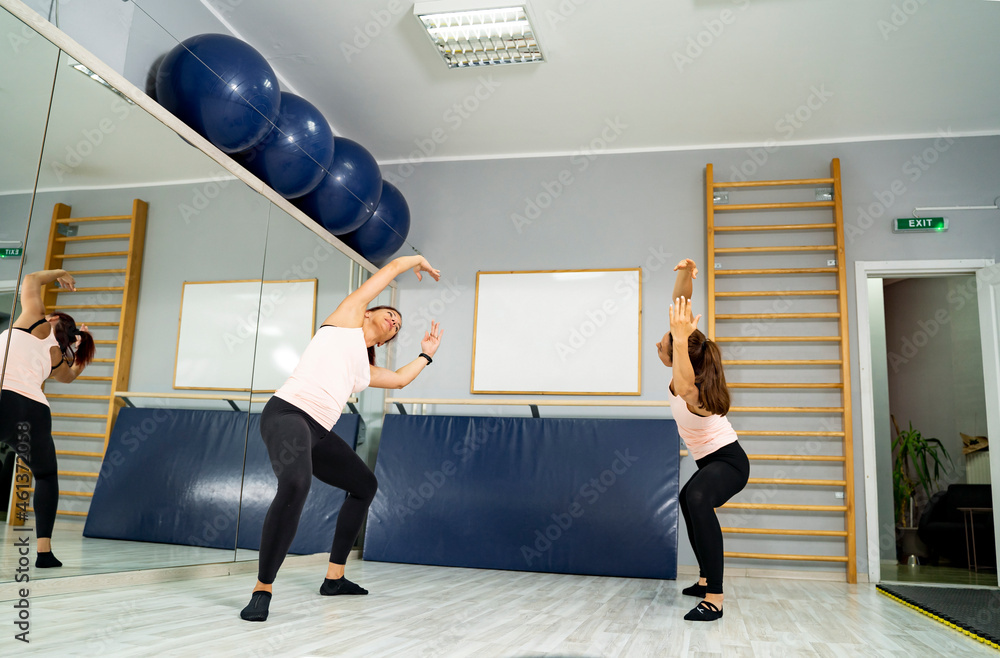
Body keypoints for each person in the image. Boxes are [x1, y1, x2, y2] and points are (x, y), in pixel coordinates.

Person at [241, 254, 444, 622]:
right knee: (296, 484)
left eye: (397, 326)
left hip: (318, 430)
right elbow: (390, 270)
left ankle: (334, 578)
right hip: (288, 413)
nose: (394, 321)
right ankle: (262, 588)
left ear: (388, 339)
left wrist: (425, 355)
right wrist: (417, 260)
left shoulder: (364, 370)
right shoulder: (345, 320)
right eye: (390, 314)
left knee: (365, 485)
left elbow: (400, 379)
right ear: (367, 313)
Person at [655, 258, 749, 622]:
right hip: (712, 462)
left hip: (729, 463)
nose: (659, 343)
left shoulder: (694, 393)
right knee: (687, 498)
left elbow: (682, 385)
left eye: (665, 343)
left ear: (679, 354)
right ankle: (706, 578)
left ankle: (715, 598)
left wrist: (679, 339)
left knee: (696, 497)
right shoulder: (686, 365)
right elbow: (681, 303)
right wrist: (684, 274)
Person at [0, 269, 94, 568]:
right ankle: (44, 553)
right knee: (45, 476)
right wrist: (78, 351)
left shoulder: (34, 320)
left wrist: (61, 273)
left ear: (52, 319)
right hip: (33, 412)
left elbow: (31, 279)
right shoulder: (58, 357)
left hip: (3, 396)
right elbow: (69, 377)